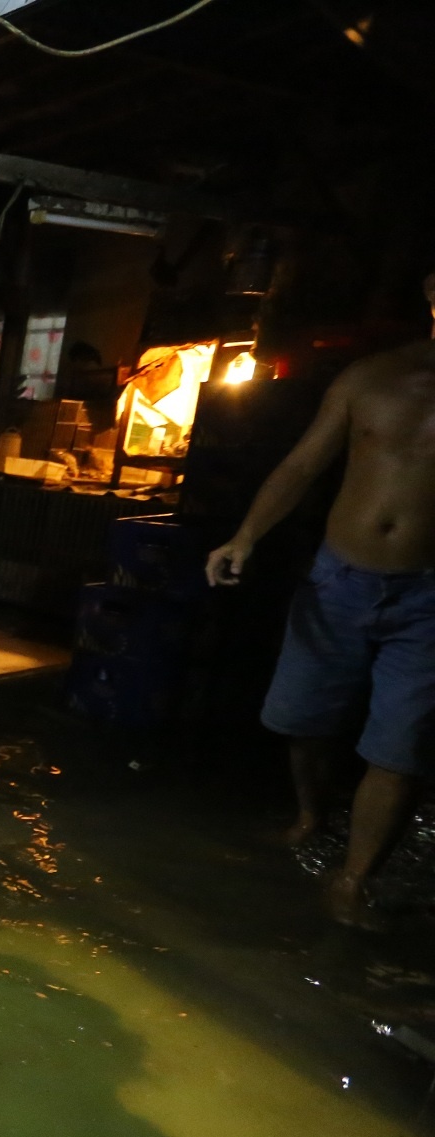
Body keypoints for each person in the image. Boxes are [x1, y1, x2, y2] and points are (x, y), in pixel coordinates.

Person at [206, 273, 435, 926]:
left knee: (398, 746)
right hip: (340, 576)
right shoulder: (371, 378)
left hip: (427, 591)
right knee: (299, 718)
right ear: (430, 291)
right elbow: (303, 465)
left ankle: (353, 879)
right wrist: (245, 537)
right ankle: (310, 815)